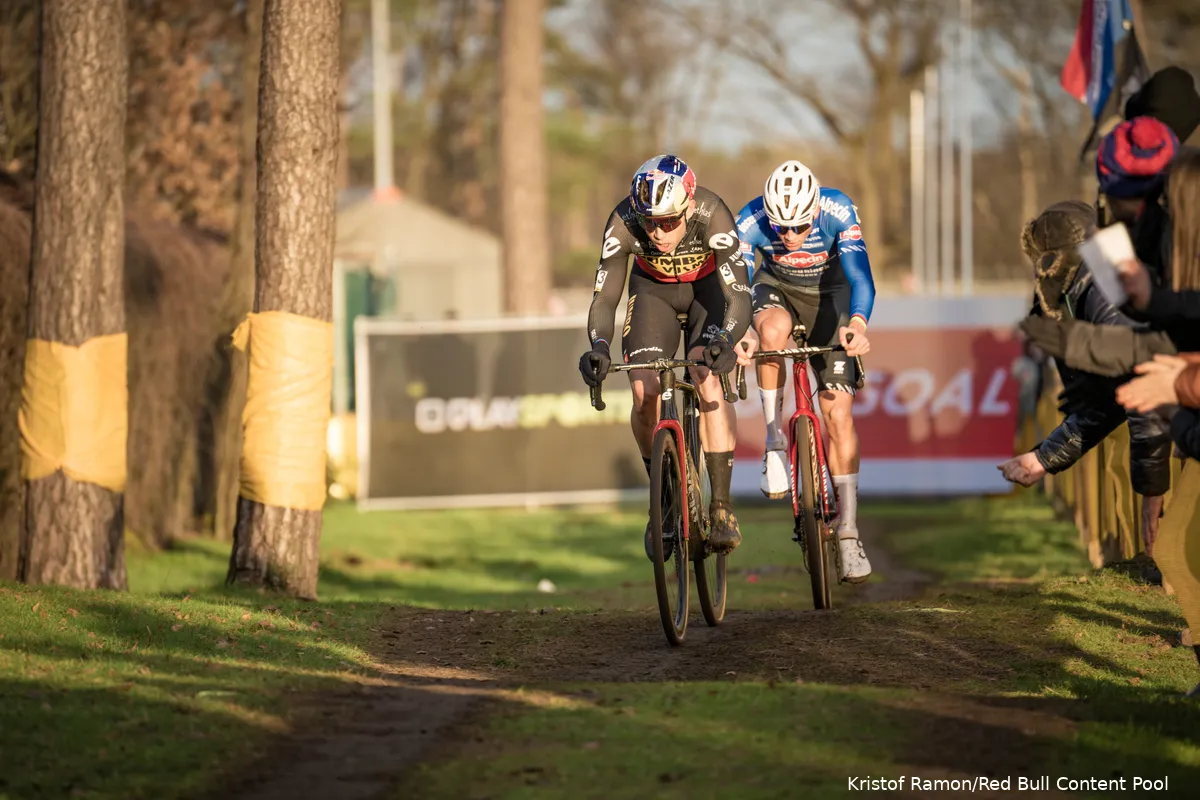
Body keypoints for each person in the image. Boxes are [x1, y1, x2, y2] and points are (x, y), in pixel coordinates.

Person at [578, 155, 751, 559]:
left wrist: (726, 339)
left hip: (707, 292)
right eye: (650, 222)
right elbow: (604, 297)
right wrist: (599, 347)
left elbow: (740, 295)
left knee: (704, 373)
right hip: (652, 292)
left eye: (669, 222)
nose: (658, 232)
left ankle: (722, 505)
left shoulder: (712, 213)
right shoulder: (623, 220)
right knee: (644, 391)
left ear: (688, 205)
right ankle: (666, 496)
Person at [997, 200, 1171, 560]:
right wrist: (1044, 458)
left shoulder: (1103, 294)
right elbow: (1105, 402)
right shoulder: (1083, 293)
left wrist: (1153, 497)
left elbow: (1146, 390)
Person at [734, 160, 875, 584]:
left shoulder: (838, 210)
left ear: (815, 210)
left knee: (837, 413)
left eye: (797, 227)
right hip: (776, 289)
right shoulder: (750, 219)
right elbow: (737, 285)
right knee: (772, 332)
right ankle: (774, 441)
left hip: (830, 295)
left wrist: (857, 325)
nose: (789, 236)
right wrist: (743, 332)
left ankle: (848, 532)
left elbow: (860, 277)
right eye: (781, 228)